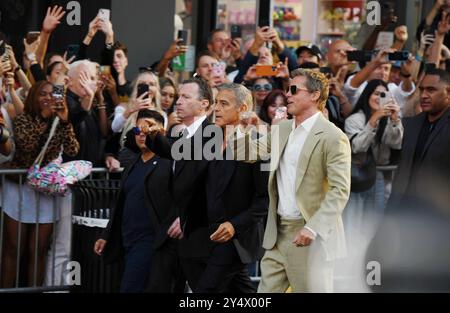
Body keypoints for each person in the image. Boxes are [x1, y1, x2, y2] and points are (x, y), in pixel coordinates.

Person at [235, 69, 351, 292]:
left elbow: (339, 191)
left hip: (309, 236)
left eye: (294, 89)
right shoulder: (283, 128)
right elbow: (246, 154)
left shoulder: (333, 137)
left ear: (315, 95)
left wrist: (313, 228)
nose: (288, 94)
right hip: (277, 235)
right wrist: (242, 129)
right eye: (288, 89)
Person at [367, 69, 450, 292]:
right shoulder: (411, 124)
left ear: (448, 93)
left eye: (431, 90)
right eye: (422, 89)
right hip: (403, 213)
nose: (424, 95)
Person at [1, 81, 79, 288]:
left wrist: (65, 122)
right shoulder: (23, 119)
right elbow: (26, 145)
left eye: (51, 94)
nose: (47, 98)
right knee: (12, 248)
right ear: (33, 96)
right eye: (42, 94)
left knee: (39, 249)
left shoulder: (59, 121)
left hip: (45, 190)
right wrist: (44, 117)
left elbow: (73, 149)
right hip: (19, 188)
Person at [145, 78, 217, 292]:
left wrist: (186, 217)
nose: (178, 101)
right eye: (179, 96)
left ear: (204, 104)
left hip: (195, 233)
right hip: (169, 231)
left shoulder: (212, 136)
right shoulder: (179, 134)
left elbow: (208, 186)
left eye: (186, 97)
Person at [195, 83, 269, 293]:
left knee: (205, 291)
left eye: (224, 104)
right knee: (241, 291)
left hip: (236, 238)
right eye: (216, 102)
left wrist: (234, 225)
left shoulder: (258, 142)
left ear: (242, 108)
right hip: (209, 234)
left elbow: (264, 199)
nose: (216, 108)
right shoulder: (211, 139)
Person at [94, 110, 173, 293]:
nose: (142, 135)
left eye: (149, 130)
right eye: (138, 130)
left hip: (150, 242)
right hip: (126, 240)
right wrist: (106, 235)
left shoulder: (168, 163)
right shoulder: (132, 162)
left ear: (162, 133)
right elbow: (122, 203)